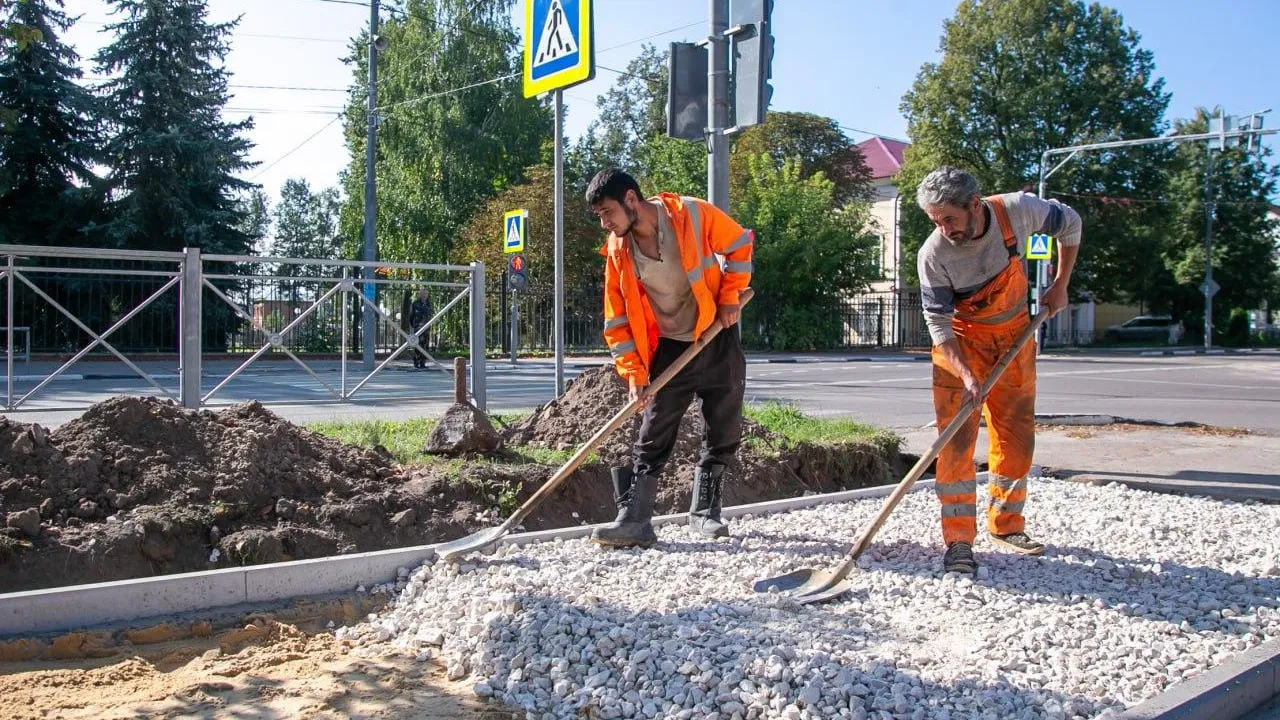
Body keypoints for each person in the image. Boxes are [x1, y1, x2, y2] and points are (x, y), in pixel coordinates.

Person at [915, 166, 1082, 574]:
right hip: (960, 343)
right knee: (955, 443)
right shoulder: (933, 254)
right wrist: (967, 373)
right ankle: (957, 540)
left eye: (949, 218)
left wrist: (1060, 284)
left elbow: (1071, 223)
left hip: (1015, 338)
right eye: (935, 220)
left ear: (975, 205)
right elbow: (937, 324)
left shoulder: (1018, 210)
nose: (943, 228)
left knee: (1017, 436)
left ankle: (1006, 525)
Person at [585, 168, 754, 548]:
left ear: (631, 199)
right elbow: (617, 318)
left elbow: (740, 245)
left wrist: (729, 299)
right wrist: (633, 373)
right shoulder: (618, 248)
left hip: (716, 334)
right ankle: (635, 519)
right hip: (670, 345)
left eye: (607, 212)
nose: (604, 223)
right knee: (653, 431)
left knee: (723, 426)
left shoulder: (692, 214)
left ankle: (705, 512)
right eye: (600, 216)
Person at [409, 289, 433, 369]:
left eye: (426, 294)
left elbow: (430, 314)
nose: (425, 295)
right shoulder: (415, 304)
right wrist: (414, 325)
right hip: (418, 327)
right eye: (423, 294)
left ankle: (423, 363)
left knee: (425, 345)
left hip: (426, 327)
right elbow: (411, 316)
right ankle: (416, 362)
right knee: (417, 344)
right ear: (420, 294)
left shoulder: (429, 303)